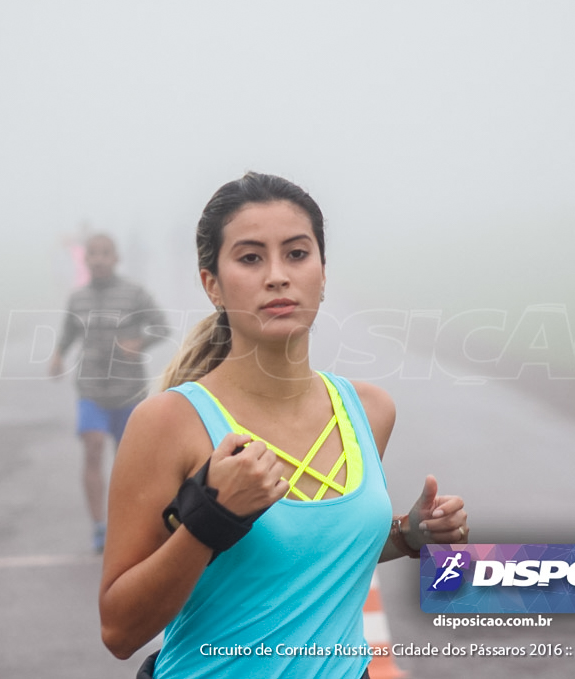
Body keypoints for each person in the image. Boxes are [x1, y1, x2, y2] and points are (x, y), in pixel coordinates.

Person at [99, 173, 469, 678]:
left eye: (296, 253)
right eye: (250, 258)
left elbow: (305, 555)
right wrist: (212, 517)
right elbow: (120, 630)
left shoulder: (369, 410)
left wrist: (407, 537)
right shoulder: (169, 422)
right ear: (212, 284)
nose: (277, 275)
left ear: (322, 271)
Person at [50, 233, 170, 553]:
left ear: (116, 258)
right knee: (93, 446)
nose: (99, 259)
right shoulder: (78, 299)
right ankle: (99, 527)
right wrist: (58, 354)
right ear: (85, 259)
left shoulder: (134, 294)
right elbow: (68, 332)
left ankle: (129, 524)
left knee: (128, 463)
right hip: (91, 388)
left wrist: (139, 343)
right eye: (93, 254)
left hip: (129, 391)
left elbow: (162, 326)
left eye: (105, 254)